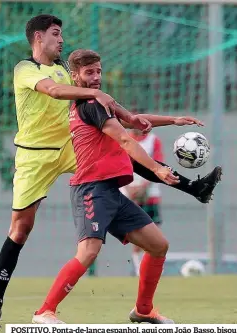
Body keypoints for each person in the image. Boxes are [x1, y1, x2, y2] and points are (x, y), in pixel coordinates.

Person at [0, 15, 221, 324]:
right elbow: (55, 92)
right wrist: (97, 95)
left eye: (98, 73)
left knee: (122, 161)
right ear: (38, 37)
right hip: (34, 156)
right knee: (21, 229)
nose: (62, 39)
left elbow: (122, 120)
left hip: (69, 144)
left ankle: (193, 189)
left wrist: (159, 119)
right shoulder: (26, 69)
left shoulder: (70, 71)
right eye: (55, 34)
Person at [31, 49, 220, 325]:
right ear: (75, 76)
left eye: (98, 71)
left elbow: (134, 120)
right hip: (91, 190)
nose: (96, 77)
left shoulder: (100, 101)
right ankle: (44, 312)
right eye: (89, 73)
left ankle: (143, 311)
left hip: (110, 192)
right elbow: (126, 139)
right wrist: (157, 168)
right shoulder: (90, 104)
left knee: (158, 245)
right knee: (89, 252)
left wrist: (173, 120)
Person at [121, 130, 165, 276]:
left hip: (150, 195)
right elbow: (117, 166)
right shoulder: (121, 139)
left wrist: (143, 187)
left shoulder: (153, 140)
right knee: (138, 237)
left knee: (155, 237)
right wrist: (129, 188)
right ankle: (138, 268)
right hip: (129, 195)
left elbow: (159, 165)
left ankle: (150, 269)